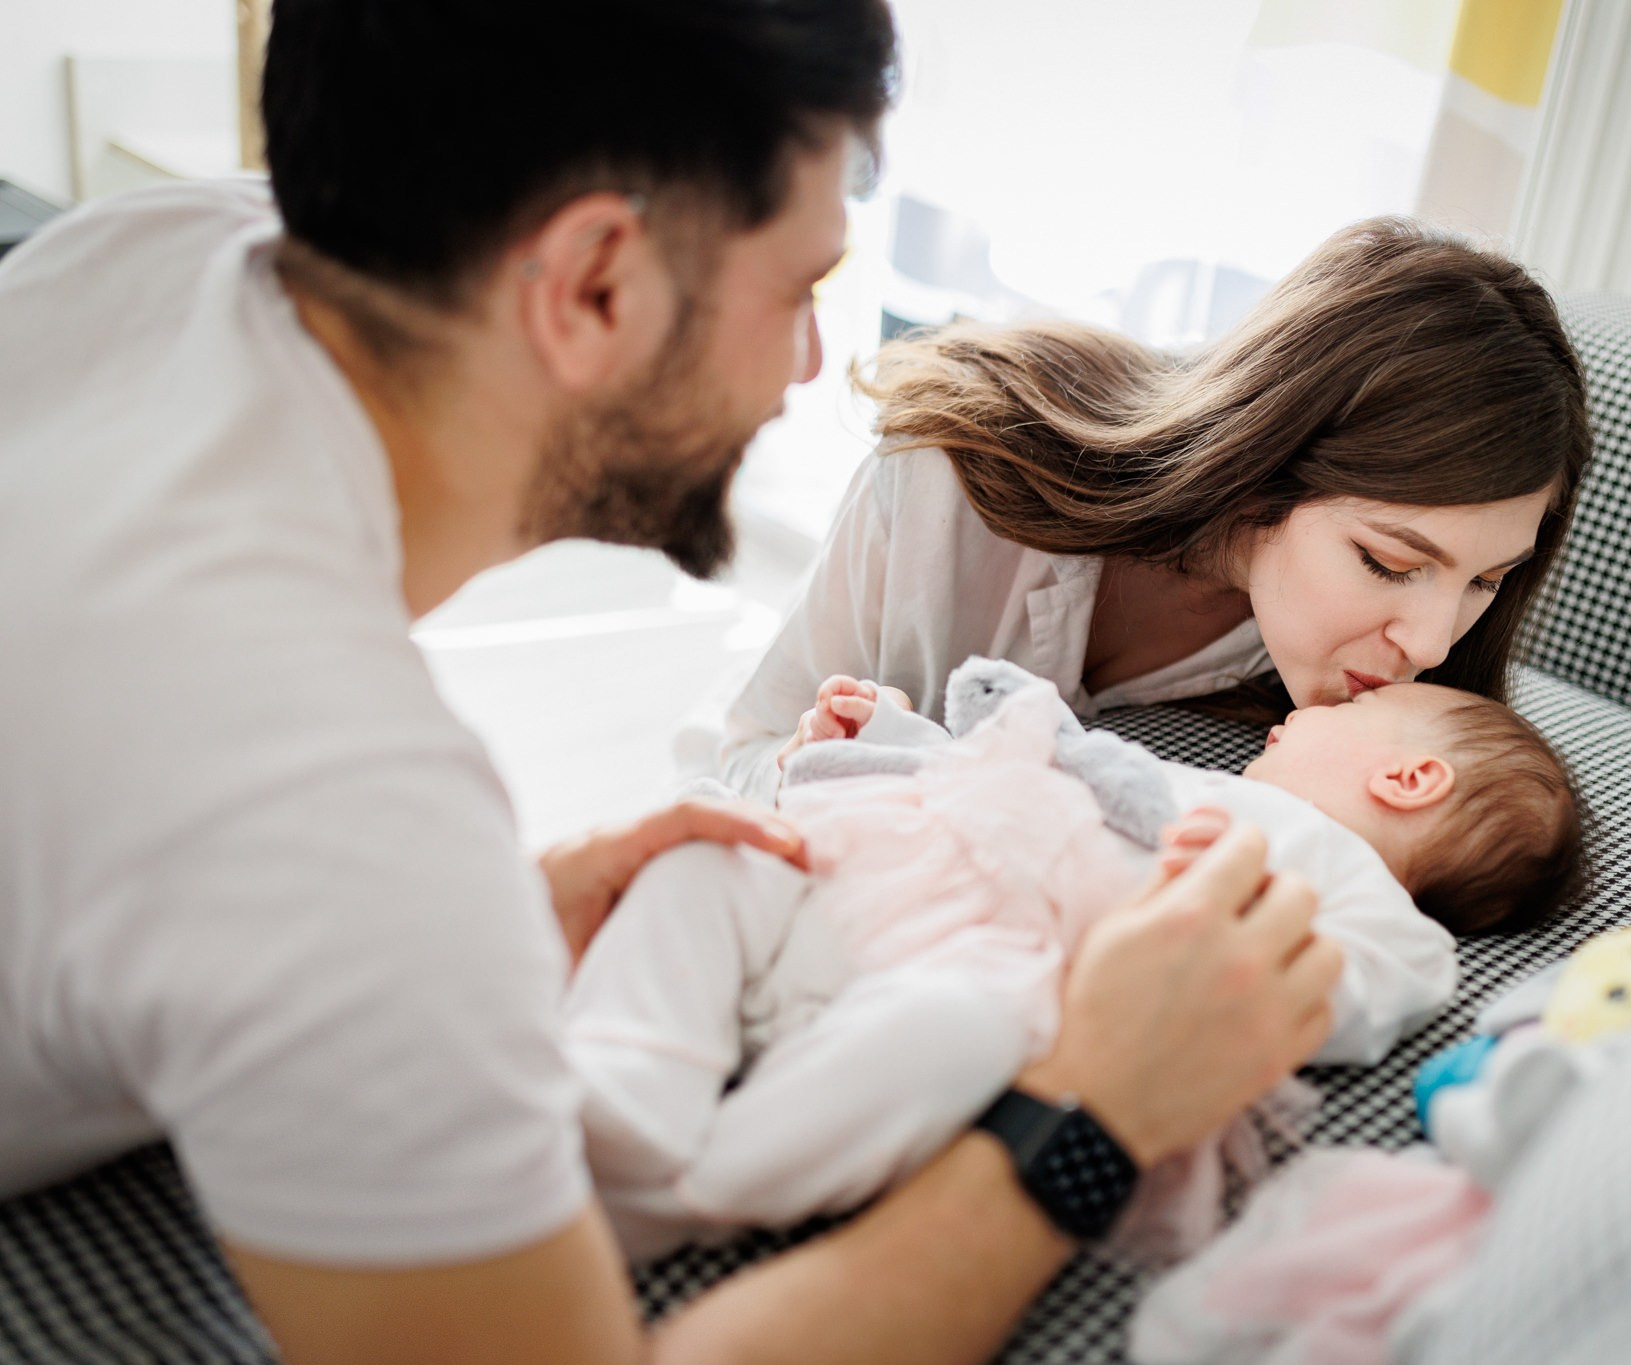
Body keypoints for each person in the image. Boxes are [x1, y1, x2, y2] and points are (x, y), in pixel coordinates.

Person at [0, 4, 1347, 1363]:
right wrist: (1089, 1115)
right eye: (797, 290)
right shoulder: (329, 809)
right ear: (594, 285)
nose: (808, 364)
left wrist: (453, 940)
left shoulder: (155, 250)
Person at [570, 668, 1584, 1261]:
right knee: (713, 855)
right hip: (873, 870)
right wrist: (887, 730)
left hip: (1002, 966)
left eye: (1343, 712)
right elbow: (1020, 773)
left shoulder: (1363, 897)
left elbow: (1344, 990)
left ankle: (689, 1192)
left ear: (1406, 777)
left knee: (952, 1033)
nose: (1296, 712)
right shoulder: (1181, 779)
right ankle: (628, 1080)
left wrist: (1238, 907)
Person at [718, 218, 1594, 803]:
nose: (1435, 643)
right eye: (1389, 564)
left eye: (1485, 579)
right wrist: (820, 764)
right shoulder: (952, 476)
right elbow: (738, 757)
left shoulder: (1382, 697)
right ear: (1258, 472)